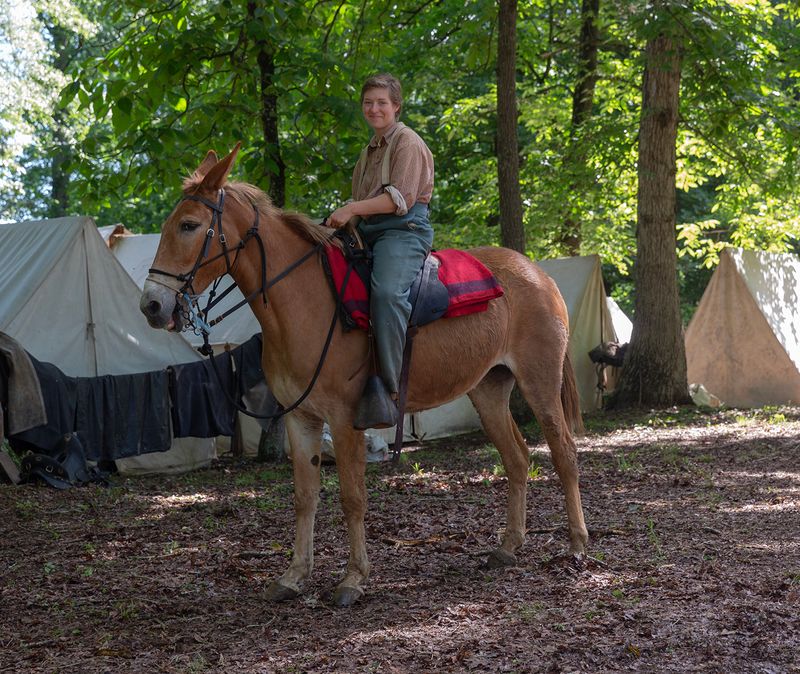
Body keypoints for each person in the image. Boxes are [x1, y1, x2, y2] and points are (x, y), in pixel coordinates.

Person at [328, 73, 434, 427]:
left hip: (404, 231)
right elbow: (359, 207)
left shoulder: (408, 142)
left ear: (396, 107)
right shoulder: (368, 153)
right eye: (368, 102)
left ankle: (390, 390)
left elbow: (397, 201)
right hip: (368, 233)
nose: (374, 109)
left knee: (387, 293)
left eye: (381, 103)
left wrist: (351, 209)